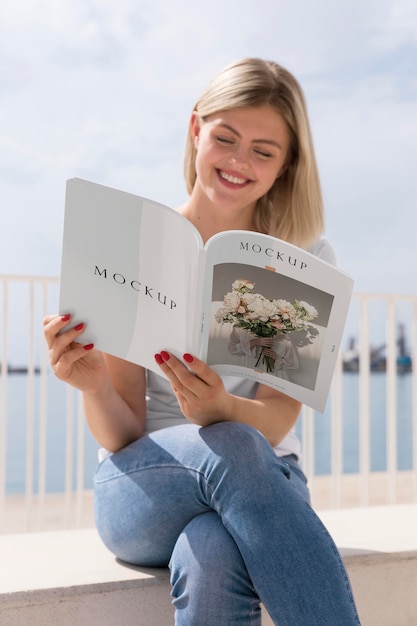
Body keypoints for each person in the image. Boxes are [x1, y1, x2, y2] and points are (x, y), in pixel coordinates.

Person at [44, 58, 360, 625]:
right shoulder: (137, 241)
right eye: (226, 138)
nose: (239, 162)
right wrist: (93, 389)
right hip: (143, 486)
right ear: (196, 131)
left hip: (267, 477)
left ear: (287, 165)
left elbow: (278, 419)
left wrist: (220, 409)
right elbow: (125, 432)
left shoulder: (306, 257)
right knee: (234, 448)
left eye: (264, 151)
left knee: (211, 548)